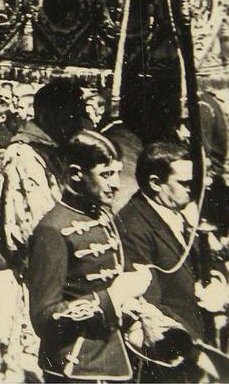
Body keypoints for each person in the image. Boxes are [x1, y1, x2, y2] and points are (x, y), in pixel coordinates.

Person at [0, 77, 86, 380]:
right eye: (72, 115)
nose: (79, 122)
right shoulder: (22, 158)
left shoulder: (54, 152)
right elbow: (29, 231)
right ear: (47, 116)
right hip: (23, 277)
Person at [29, 131, 154, 382]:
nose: (116, 183)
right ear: (76, 174)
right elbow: (44, 318)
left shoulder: (103, 216)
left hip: (113, 356)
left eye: (118, 173)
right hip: (76, 366)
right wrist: (113, 297)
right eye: (106, 174)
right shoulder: (52, 230)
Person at [117, 142, 222, 379]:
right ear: (155, 183)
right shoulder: (132, 225)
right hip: (172, 356)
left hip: (198, 348)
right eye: (185, 183)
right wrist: (197, 350)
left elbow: (197, 266)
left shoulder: (177, 211)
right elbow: (148, 300)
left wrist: (215, 283)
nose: (192, 190)